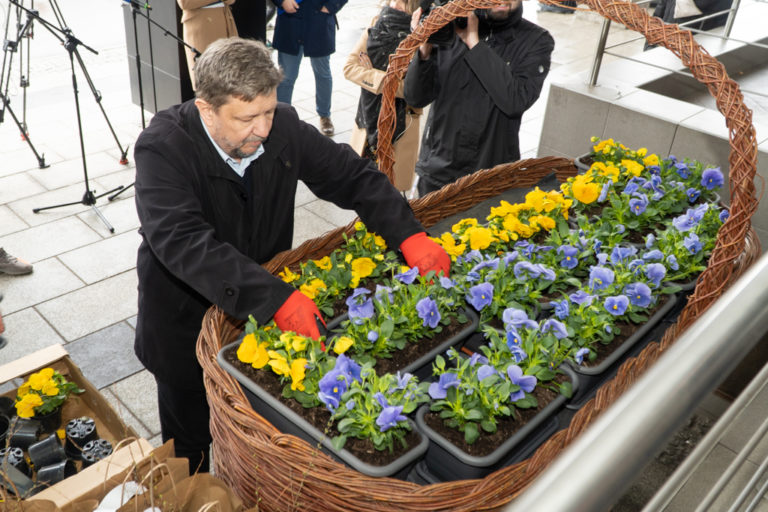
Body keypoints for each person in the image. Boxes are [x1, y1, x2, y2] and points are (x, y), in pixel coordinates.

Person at [132, 37, 450, 474]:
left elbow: (353, 177)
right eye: (247, 118)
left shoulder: (281, 127)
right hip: (183, 322)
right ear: (207, 110)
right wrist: (274, 299)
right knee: (191, 442)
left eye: (268, 111)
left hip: (262, 318)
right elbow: (182, 240)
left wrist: (409, 236)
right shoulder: (163, 147)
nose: (263, 129)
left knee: (257, 429)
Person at [404, 0, 554, 197]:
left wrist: (474, 43)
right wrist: (423, 51)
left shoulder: (536, 40)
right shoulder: (449, 29)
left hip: (491, 174)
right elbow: (416, 98)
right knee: (427, 228)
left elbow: (515, 101)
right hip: (438, 168)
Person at [343, 0, 423, 194]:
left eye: (403, 3)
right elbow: (350, 68)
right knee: (363, 188)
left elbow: (415, 91)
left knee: (391, 193)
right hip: (368, 122)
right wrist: (386, 80)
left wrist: (373, 76)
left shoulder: (421, 38)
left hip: (401, 127)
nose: (395, 5)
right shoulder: (377, 23)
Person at [271, 0, 348, 136]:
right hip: (290, 23)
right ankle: (281, 120)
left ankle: (325, 116)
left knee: (322, 74)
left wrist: (330, 7)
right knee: (286, 77)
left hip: (319, 22)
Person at [177, 0, 239, 89]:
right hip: (202, 25)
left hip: (224, 18)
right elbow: (185, 3)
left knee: (232, 77)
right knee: (209, 81)